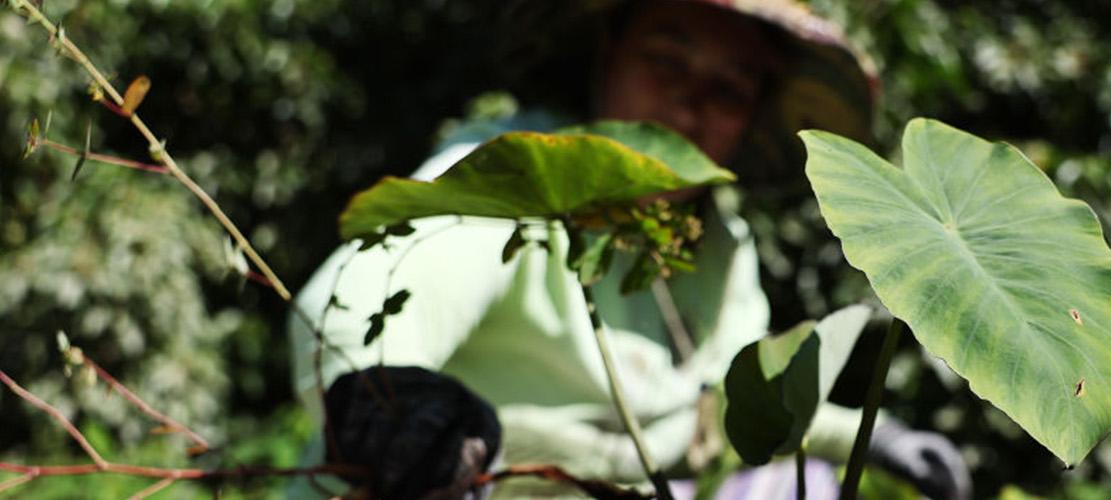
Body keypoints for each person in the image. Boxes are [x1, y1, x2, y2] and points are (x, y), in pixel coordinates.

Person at [288, 1, 971, 498]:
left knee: (801, 486)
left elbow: (735, 416)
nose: (688, 104)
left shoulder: (721, 245)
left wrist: (875, 440)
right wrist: (395, 407)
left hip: (622, 486)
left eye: (729, 89)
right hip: (454, 485)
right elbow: (354, 301)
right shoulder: (519, 174)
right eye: (665, 59)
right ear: (608, 48)